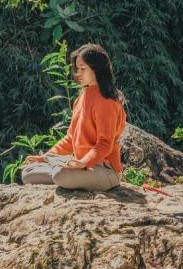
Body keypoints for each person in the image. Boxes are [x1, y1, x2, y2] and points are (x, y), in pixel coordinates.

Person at [20, 43, 127, 191]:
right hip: (79, 166)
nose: (78, 74)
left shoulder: (106, 101)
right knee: (28, 172)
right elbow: (70, 138)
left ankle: (67, 176)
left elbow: (104, 143)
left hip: (105, 170)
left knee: (61, 175)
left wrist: (84, 162)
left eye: (83, 69)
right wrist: (45, 158)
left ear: (97, 69)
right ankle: (66, 175)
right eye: (77, 68)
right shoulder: (81, 97)